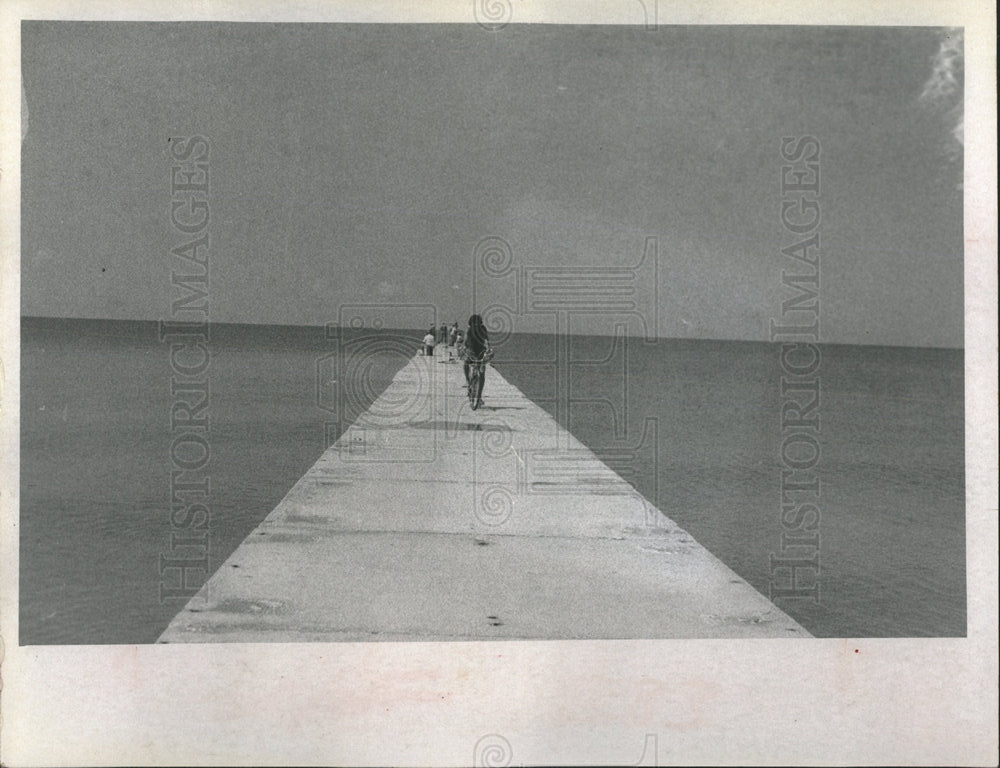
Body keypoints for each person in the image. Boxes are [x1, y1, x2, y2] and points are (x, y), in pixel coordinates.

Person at [463, 313, 492, 409]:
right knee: (466, 361)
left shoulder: (483, 329)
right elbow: (466, 342)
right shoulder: (469, 330)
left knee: (482, 373)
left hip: (480, 351)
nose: (476, 325)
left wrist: (489, 349)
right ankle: (467, 380)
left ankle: (479, 397)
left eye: (477, 323)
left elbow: (486, 340)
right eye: (474, 324)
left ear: (480, 323)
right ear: (471, 324)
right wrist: (464, 348)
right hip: (471, 351)